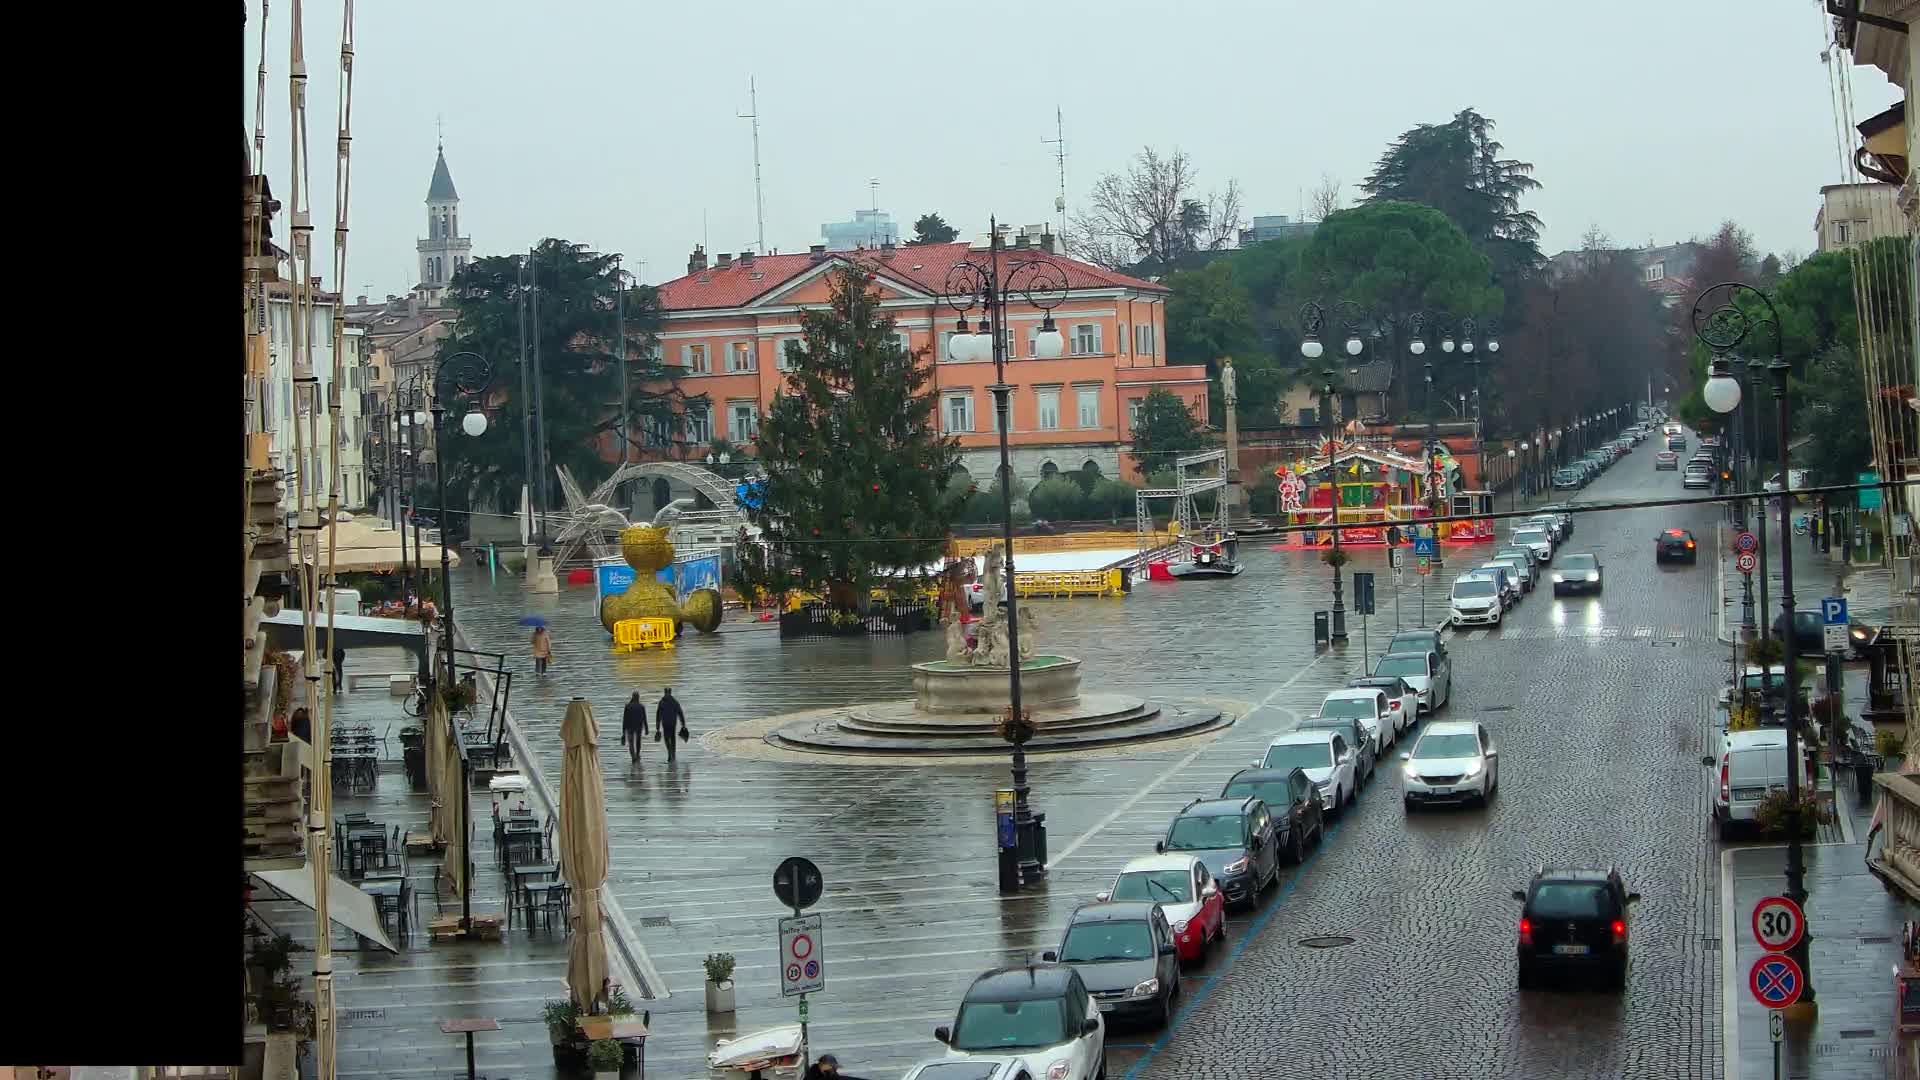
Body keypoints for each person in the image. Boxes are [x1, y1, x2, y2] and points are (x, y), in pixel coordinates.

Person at [656, 688, 685, 763]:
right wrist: (683, 724)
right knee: (672, 738)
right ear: (670, 692)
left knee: (667, 739)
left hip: (666, 723)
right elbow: (680, 713)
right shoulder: (675, 702)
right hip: (672, 723)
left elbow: (658, 715)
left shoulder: (661, 702)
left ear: (665, 692)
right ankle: (673, 754)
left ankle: (670, 753)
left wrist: (658, 727)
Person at [622, 692, 648, 764]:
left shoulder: (627, 706)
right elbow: (644, 718)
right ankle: (637, 754)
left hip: (629, 726)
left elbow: (624, 719)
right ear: (638, 697)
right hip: (638, 726)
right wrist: (646, 728)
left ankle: (633, 757)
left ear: (632, 697)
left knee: (631, 742)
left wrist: (623, 732)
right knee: (638, 741)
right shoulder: (641, 706)